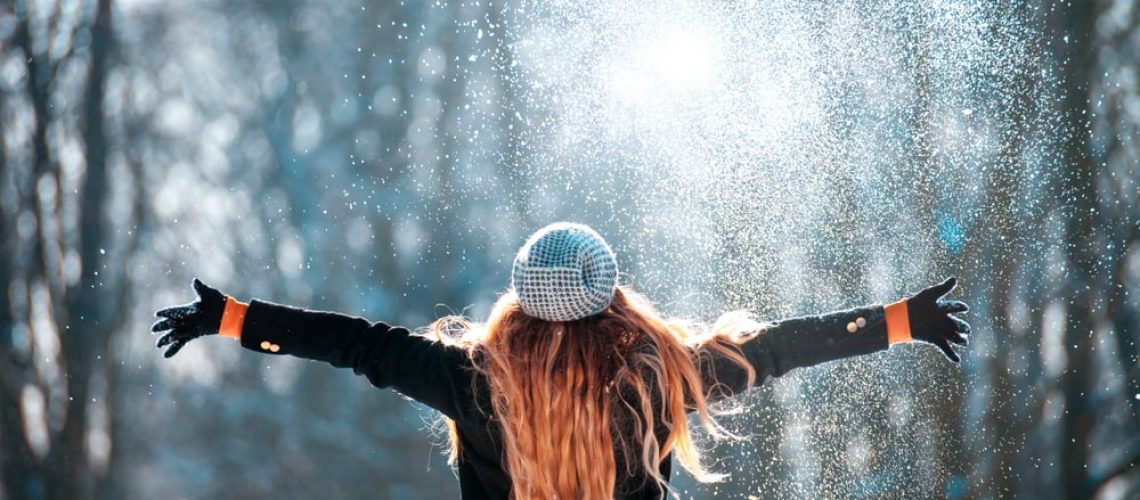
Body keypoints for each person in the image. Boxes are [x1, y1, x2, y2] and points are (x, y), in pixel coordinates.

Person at [152, 222, 970, 499]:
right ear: (615, 295)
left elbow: (357, 345)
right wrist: (898, 320)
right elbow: (784, 349)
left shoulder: (472, 380)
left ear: (516, 298)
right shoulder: (662, 374)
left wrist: (233, 317)